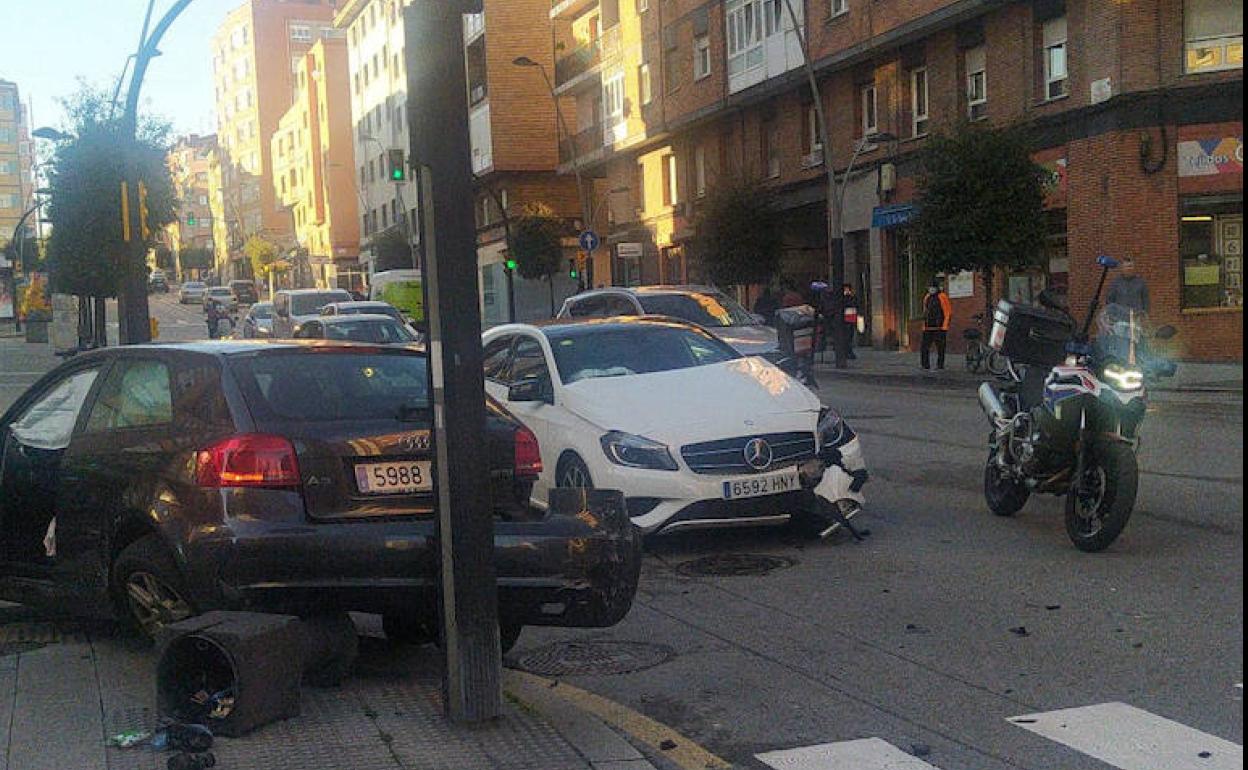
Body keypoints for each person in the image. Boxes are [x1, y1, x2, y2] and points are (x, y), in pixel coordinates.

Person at [920, 280, 952, 370]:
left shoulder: (942, 296)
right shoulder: (927, 297)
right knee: (924, 347)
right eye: (930, 287)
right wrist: (924, 325)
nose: (931, 289)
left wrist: (944, 326)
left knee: (940, 348)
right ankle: (925, 365)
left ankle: (940, 365)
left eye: (933, 287)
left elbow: (947, 312)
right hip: (928, 327)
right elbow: (925, 312)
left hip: (939, 327)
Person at [840, 283, 860, 360]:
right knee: (846, 336)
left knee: (850, 335)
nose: (847, 290)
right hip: (845, 319)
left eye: (848, 289)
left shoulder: (853, 297)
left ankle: (849, 351)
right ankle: (847, 352)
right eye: (845, 289)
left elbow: (856, 304)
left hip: (852, 318)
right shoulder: (843, 298)